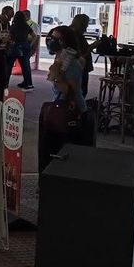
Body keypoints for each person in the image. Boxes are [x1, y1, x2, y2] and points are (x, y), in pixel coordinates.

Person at [40, 26, 89, 172]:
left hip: (71, 111)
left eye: (57, 39)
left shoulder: (72, 62)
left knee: (64, 152)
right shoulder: (60, 59)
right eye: (51, 37)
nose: (52, 41)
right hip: (61, 107)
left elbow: (70, 90)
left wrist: (56, 77)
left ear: (65, 42)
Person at [70, 13, 99, 97]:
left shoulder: (72, 33)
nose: (86, 28)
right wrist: (93, 46)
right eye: (86, 25)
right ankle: (80, 109)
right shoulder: (76, 36)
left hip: (78, 67)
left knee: (79, 91)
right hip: (79, 68)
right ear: (81, 24)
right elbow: (80, 54)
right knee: (80, 92)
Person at [9, 11, 35, 91]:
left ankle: (5, 82)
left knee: (9, 65)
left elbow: (9, 37)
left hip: (15, 46)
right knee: (25, 66)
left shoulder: (13, 26)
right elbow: (34, 36)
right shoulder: (26, 26)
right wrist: (29, 45)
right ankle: (28, 83)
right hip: (25, 46)